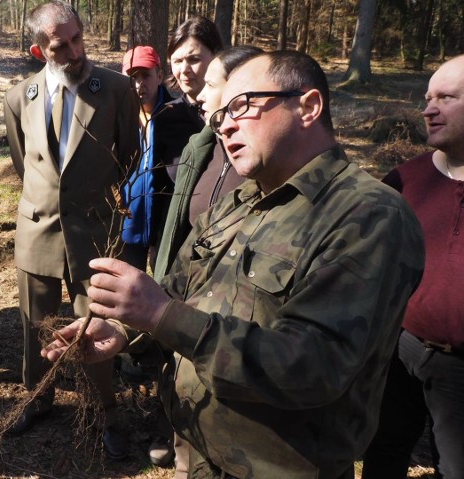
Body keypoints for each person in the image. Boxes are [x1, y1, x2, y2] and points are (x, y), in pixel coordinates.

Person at [41, 51, 426, 478]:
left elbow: (313, 366)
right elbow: (177, 289)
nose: (223, 124)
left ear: (308, 107)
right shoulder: (239, 203)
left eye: (241, 106)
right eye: (221, 112)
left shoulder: (368, 216)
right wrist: (124, 328)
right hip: (199, 450)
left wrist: (159, 314)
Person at [2, 1, 139, 459]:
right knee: (34, 324)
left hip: (96, 231)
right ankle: (37, 397)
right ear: (40, 50)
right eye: (63, 45)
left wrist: (104, 205)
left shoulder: (116, 89)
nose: (77, 51)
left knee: (95, 325)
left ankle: (105, 412)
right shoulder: (19, 96)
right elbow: (27, 164)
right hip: (37, 228)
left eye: (79, 38)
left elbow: (131, 157)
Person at [149, 45, 263, 475]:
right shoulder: (203, 145)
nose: (194, 89)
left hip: (234, 359)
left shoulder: (258, 166)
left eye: (210, 83)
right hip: (189, 327)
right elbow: (186, 239)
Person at [361, 54, 464, 479]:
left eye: (446, 97)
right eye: (427, 97)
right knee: (383, 450)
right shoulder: (404, 180)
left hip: (460, 371)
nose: (428, 108)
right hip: (400, 350)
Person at [119, 45, 201, 271]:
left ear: (160, 75)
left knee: (160, 287)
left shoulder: (177, 115)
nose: (139, 83)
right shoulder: (119, 117)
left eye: (145, 75)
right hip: (129, 222)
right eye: (132, 77)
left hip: (165, 224)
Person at [167, 17, 222, 109]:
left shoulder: (237, 112)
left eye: (194, 59)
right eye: (178, 61)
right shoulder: (165, 117)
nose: (184, 70)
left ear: (216, 57)